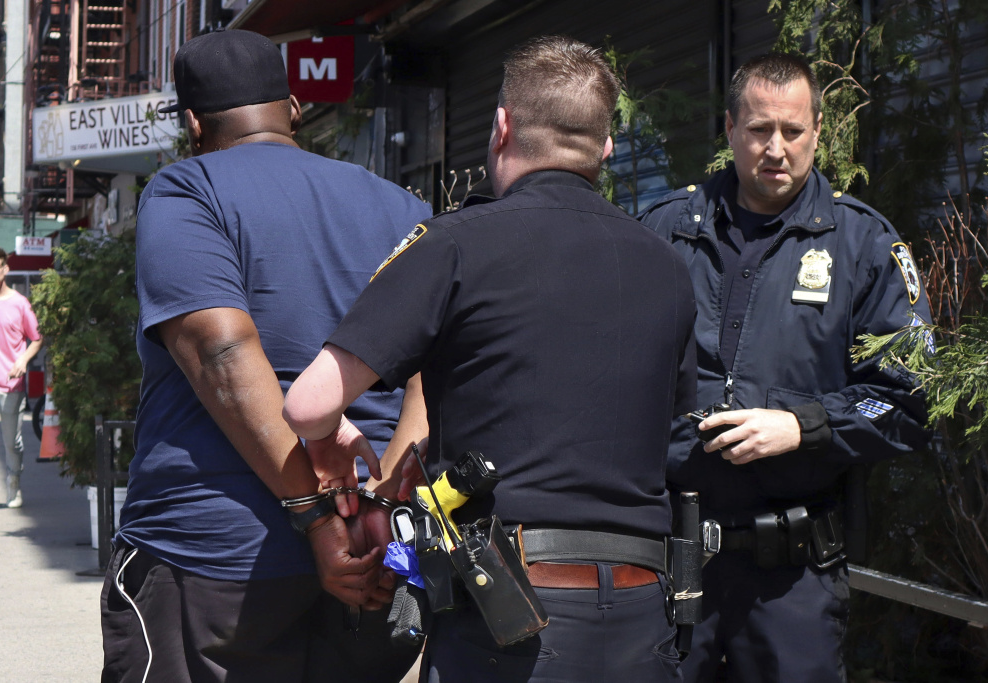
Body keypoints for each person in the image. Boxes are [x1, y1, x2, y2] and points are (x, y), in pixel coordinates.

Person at [283, 35, 698, 683]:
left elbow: (307, 403)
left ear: (502, 126)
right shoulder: (669, 268)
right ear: (606, 147)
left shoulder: (454, 244)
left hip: (511, 621)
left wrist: (332, 438)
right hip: (645, 612)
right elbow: (677, 437)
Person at [99, 29, 430, 682]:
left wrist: (314, 518)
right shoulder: (402, 206)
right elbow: (433, 373)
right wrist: (379, 515)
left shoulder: (186, 191)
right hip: (371, 563)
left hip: (213, 559)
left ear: (193, 123)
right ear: (296, 108)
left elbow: (221, 351)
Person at [639, 52, 934, 683]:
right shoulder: (663, 233)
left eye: (793, 131)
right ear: (729, 129)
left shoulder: (866, 247)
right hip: (668, 565)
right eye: (758, 130)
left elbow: (910, 400)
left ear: (818, 133)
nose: (776, 148)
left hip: (793, 581)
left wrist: (805, 425)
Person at [0, 247, 42, 512]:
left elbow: (37, 337)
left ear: (5, 269)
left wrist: (22, 361)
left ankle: (13, 482)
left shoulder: (19, 303)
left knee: (11, 442)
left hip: (11, 383)